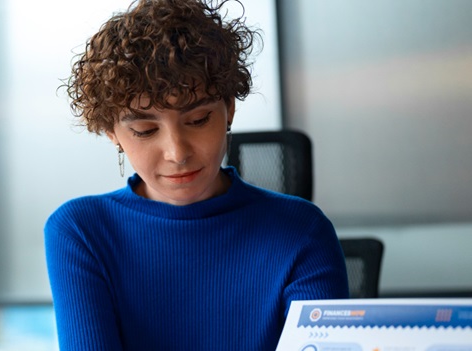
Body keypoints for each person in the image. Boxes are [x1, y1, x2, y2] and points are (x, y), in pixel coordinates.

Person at [44, 0, 349, 350]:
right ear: (111, 132)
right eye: (144, 130)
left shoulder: (302, 232)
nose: (177, 153)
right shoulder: (82, 232)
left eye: (198, 120)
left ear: (229, 108)